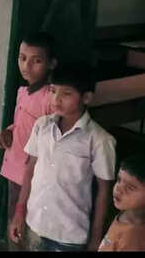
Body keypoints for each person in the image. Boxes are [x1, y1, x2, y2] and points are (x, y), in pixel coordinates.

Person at [9, 62, 116, 251]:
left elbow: (103, 192)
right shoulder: (42, 125)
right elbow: (30, 169)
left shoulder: (100, 140)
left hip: (69, 236)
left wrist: (96, 237)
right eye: (52, 91)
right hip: (35, 224)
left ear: (86, 97)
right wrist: (19, 211)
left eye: (66, 94)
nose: (56, 99)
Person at [0, 32, 56, 250]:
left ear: (51, 64)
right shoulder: (22, 92)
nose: (26, 66)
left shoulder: (51, 98)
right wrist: (8, 132)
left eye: (36, 61)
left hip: (34, 177)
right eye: (22, 58)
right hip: (13, 169)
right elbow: (21, 124)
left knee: (28, 229)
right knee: (14, 223)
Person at [99, 155, 145, 251]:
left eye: (130, 187)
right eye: (119, 180)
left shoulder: (133, 237)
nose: (118, 189)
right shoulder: (126, 212)